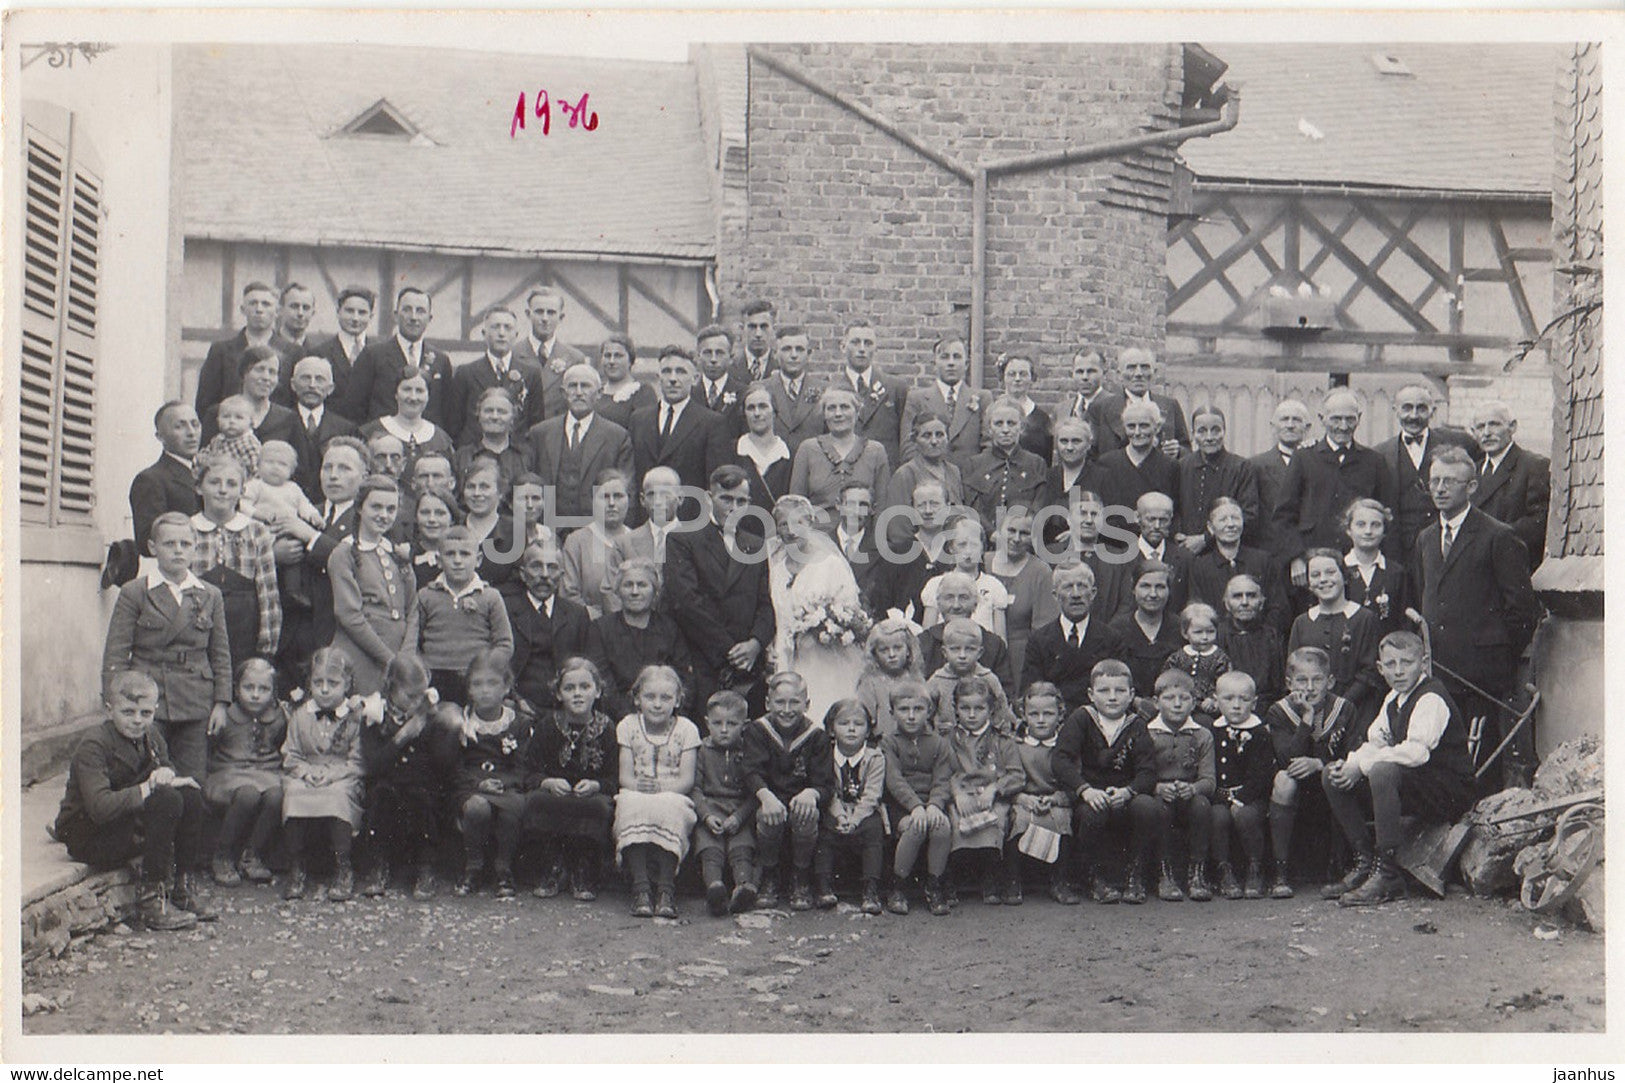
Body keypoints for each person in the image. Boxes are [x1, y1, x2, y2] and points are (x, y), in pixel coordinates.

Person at [1413, 446, 1542, 786]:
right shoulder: (1426, 539)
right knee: (1444, 757)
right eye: (1434, 481)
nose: (1440, 489)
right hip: (1439, 670)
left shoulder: (1498, 536)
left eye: (1450, 482)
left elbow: (1522, 610)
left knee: (1481, 764)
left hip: (1482, 677)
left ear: (1471, 487)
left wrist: (1496, 653)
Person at [1321, 631, 1477, 906]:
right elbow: (1375, 741)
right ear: (1380, 668)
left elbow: (1416, 752)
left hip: (1449, 791)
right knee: (1333, 775)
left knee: (1382, 770)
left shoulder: (1431, 697)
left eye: (1407, 662)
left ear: (1424, 663)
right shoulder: (1394, 698)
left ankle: (1388, 874)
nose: (1399, 671)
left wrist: (1365, 766)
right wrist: (1351, 765)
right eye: (1391, 664)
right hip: (1417, 784)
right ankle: (1366, 862)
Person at [54, 670, 211, 931]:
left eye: (145, 713)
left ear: (155, 710)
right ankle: (150, 901)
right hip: (90, 834)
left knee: (189, 795)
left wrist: (168, 774)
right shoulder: (94, 745)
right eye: (128, 712)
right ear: (109, 709)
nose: (138, 721)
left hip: (124, 824)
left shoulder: (151, 736)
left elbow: (165, 765)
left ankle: (182, 885)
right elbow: (100, 808)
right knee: (167, 800)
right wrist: (150, 786)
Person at [103, 512, 232, 782]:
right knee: (146, 776)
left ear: (195, 548)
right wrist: (115, 699)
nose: (178, 551)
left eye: (185, 544)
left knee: (192, 777)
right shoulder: (135, 592)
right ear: (152, 548)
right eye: (169, 544)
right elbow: (116, 651)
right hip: (147, 698)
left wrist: (221, 702)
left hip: (195, 699)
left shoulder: (210, 594)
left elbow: (220, 653)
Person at [665, 466, 776, 713]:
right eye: (725, 498)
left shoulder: (755, 544)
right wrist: (729, 650)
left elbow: (765, 603)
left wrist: (755, 644)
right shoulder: (682, 539)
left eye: (741, 501)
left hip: (748, 665)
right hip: (703, 659)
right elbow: (686, 603)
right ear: (708, 498)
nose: (733, 507)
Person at [1053, 659, 1163, 904]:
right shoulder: (1082, 718)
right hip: (1090, 794)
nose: (1112, 698)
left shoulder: (1136, 724)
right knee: (1092, 814)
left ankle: (1136, 875)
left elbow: (1148, 771)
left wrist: (1129, 791)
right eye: (1104, 691)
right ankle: (1094, 878)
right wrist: (1085, 790)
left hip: (1123, 795)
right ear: (1091, 694)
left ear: (1131, 694)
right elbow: (1061, 760)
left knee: (1147, 807)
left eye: (1120, 691)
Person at [1273, 388, 1397, 588]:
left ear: (1359, 418)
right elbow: (1283, 515)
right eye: (1336, 419)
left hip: (1359, 563)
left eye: (1350, 419)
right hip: (1311, 563)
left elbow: (1388, 515)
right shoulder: (1304, 458)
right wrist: (1295, 557)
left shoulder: (1374, 461)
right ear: (1322, 418)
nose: (1343, 426)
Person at [1264, 646, 1359, 899]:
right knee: (1284, 780)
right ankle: (1280, 870)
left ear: (1329, 681)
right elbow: (1288, 760)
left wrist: (1319, 763)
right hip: (1297, 789)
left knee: (1339, 772)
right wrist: (1307, 719)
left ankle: (1341, 864)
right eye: (1301, 680)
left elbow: (1352, 753)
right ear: (1288, 683)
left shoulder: (1344, 708)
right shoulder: (1278, 711)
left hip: (1330, 784)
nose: (1309, 687)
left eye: (1317, 679)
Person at [269, 437, 367, 681]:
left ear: (364, 476)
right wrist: (273, 555)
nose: (333, 476)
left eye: (345, 468)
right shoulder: (302, 511)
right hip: (290, 636)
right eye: (328, 467)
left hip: (335, 634)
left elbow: (358, 563)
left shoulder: (366, 518)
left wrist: (309, 536)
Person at [522, 655, 619, 902]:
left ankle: (583, 868)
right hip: (556, 794)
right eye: (569, 688)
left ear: (597, 692)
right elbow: (529, 771)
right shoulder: (547, 727)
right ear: (558, 694)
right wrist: (548, 782)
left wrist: (597, 785)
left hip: (590, 796)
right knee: (536, 801)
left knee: (598, 806)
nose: (577, 694)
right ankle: (554, 864)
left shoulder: (607, 729)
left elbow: (615, 776)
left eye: (585, 687)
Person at [764, 495, 867, 722]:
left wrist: (826, 629)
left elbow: (852, 614)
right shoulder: (776, 569)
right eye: (783, 524)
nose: (791, 531)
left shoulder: (830, 565)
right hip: (785, 656)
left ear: (810, 524)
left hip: (825, 659)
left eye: (798, 523)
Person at [356, 652, 450, 900]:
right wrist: (402, 737)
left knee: (424, 798)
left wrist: (438, 724)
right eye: (410, 696)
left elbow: (439, 762)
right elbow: (374, 764)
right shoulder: (375, 714)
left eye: (422, 694)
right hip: (387, 779)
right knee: (380, 796)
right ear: (391, 687)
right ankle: (379, 866)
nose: (416, 701)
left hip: (420, 781)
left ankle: (426, 868)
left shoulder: (427, 712)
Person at [613, 664, 701, 919]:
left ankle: (665, 890)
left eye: (666, 698)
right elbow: (625, 777)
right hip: (636, 789)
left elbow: (686, 780)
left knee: (670, 807)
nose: (657, 704)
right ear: (637, 699)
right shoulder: (628, 726)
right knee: (631, 805)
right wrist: (639, 786)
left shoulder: (686, 729)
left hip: (673, 791)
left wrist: (662, 787)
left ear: (677, 700)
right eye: (650, 697)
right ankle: (640, 888)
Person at [444, 649, 534, 899]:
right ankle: (474, 865)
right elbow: (455, 766)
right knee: (477, 807)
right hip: (471, 786)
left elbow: (523, 767)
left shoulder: (519, 723)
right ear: (469, 689)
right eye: (477, 684)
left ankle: (503, 868)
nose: (485, 690)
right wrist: (480, 783)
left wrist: (502, 783)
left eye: (493, 683)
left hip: (508, 786)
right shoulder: (460, 721)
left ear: (507, 687)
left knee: (512, 809)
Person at [279, 647, 366, 902]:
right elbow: (291, 754)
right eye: (318, 683)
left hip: (341, 775)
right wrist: (305, 773)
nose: (325, 690)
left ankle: (343, 866)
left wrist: (333, 775)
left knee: (338, 796)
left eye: (333, 683)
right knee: (294, 793)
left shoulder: (353, 717)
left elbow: (358, 759)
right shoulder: (300, 715)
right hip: (306, 771)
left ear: (347, 684)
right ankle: (297, 866)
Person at [743, 671, 832, 911]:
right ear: (767, 703)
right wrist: (765, 795)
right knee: (767, 814)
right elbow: (751, 772)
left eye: (794, 702)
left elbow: (825, 784)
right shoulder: (757, 731)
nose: (787, 709)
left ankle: (800, 877)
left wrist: (811, 793)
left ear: (807, 704)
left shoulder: (817, 736)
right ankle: (769, 876)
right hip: (769, 802)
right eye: (780, 702)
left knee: (807, 812)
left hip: (799, 803)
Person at [403, 524, 515, 704]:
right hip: (433, 675)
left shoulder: (490, 596)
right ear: (439, 560)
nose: (457, 560)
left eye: (465, 554)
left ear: (478, 560)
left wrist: (486, 669)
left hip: (475, 677)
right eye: (450, 554)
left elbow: (504, 643)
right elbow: (412, 639)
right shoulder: (426, 595)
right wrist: (416, 670)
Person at [190, 452, 283, 670]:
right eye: (214, 482)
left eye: (231, 484)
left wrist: (266, 648)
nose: (223, 490)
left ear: (242, 491)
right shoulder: (188, 530)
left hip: (244, 631)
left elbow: (268, 592)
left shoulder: (256, 531)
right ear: (199, 487)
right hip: (199, 631)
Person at [327, 475, 414, 696]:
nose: (384, 515)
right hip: (360, 656)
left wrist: (406, 655)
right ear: (359, 508)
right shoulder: (344, 553)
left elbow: (412, 608)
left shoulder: (395, 552)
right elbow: (349, 615)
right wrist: (388, 658)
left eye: (390, 509)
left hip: (398, 655)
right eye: (376, 507)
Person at [1376, 384, 1482, 560]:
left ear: (1433, 411)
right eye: (1407, 408)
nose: (1414, 415)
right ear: (1396, 410)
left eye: (1422, 408)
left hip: (1446, 546)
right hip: (1400, 552)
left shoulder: (1460, 442)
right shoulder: (1381, 454)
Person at [204, 658, 286, 886]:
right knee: (248, 794)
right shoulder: (226, 716)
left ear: (273, 691)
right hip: (229, 772)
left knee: (277, 796)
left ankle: (252, 854)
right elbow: (211, 747)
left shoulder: (279, 717)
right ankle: (222, 855)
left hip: (266, 771)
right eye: (248, 688)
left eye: (264, 689)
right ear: (236, 688)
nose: (256, 695)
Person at [944, 674, 1024, 905]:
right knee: (952, 819)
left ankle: (990, 877)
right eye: (964, 708)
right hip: (960, 795)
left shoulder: (1002, 740)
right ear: (956, 709)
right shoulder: (949, 740)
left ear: (990, 710)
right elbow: (942, 773)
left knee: (998, 818)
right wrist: (957, 793)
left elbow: (1016, 774)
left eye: (978, 708)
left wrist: (995, 788)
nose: (971, 714)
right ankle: (951, 879)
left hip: (991, 796)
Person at [525, 363, 633, 526]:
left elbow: (626, 491)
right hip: (548, 530)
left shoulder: (617, 437)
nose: (579, 392)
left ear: (599, 393)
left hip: (596, 531)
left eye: (586, 386)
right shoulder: (540, 433)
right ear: (563, 392)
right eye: (573, 386)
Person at [879, 680, 953, 915]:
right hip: (900, 805)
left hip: (930, 803)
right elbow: (894, 780)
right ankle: (898, 886)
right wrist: (915, 807)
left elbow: (942, 780)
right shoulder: (889, 743)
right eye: (904, 710)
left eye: (918, 709)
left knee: (941, 827)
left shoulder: (939, 744)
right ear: (892, 713)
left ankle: (934, 885)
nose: (911, 716)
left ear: (929, 711)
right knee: (916, 828)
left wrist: (934, 805)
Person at [588, 557, 693, 720]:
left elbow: (684, 679)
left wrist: (670, 718)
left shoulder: (670, 628)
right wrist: (630, 721)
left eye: (642, 585)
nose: (635, 591)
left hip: (665, 718)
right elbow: (603, 682)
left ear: (655, 591)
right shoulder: (600, 628)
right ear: (618, 591)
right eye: (628, 585)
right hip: (616, 720)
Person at [1287, 548, 1384, 722]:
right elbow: (1294, 671)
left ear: (1344, 576)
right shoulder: (1302, 622)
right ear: (1309, 583)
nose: (1323, 579)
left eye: (1330, 572)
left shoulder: (1364, 618)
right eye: (1315, 575)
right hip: (1312, 714)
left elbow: (1369, 672)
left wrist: (1340, 706)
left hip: (1356, 712)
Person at [1145, 669, 1216, 902]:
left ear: (1193, 702)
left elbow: (1209, 779)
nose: (1177, 705)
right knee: (1159, 810)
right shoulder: (1148, 734)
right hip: (1160, 795)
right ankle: (1165, 875)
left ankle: (1197, 874)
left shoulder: (1202, 735)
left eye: (1184, 699)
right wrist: (1157, 787)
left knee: (1202, 806)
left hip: (1189, 795)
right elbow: (1141, 775)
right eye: (1169, 699)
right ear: (1156, 702)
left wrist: (1193, 789)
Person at [1008, 682, 1079, 905]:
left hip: (1055, 800)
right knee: (1018, 821)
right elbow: (1008, 778)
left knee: (1062, 821)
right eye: (1034, 714)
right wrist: (1022, 798)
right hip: (1024, 798)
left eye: (1048, 713)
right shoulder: (1016, 745)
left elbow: (1075, 780)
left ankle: (1059, 880)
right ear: (1023, 714)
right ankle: (1012, 880)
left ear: (1060, 715)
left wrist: (1056, 799)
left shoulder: (1066, 746)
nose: (1040, 719)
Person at [813, 699, 887, 914]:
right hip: (834, 808)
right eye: (844, 723)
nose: (852, 729)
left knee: (874, 829)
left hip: (864, 811)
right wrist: (840, 816)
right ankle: (824, 886)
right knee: (825, 829)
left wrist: (855, 819)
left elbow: (872, 795)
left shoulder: (875, 757)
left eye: (859, 724)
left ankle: (870, 889)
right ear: (832, 728)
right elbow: (828, 788)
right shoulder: (825, 753)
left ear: (868, 730)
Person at [1020, 561, 1125, 713]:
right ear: (1055, 595)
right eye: (1068, 587)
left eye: (1082, 586)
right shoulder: (1039, 640)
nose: (1076, 594)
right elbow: (1031, 692)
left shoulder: (1112, 639)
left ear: (1093, 593)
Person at [690, 690, 760, 915]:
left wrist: (739, 817)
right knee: (710, 848)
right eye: (717, 723)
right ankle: (714, 889)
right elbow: (695, 789)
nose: (723, 729)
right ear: (707, 723)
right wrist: (706, 815)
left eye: (732, 724)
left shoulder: (749, 752)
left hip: (739, 813)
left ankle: (743, 888)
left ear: (745, 725)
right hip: (711, 811)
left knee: (741, 847)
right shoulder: (702, 750)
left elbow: (754, 793)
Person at [629, 346, 729, 500]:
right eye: (667, 371)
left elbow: (714, 482)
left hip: (690, 518)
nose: (673, 379)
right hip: (645, 518)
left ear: (695, 378)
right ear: (658, 377)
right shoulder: (639, 419)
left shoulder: (711, 423)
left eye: (681, 372)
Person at [508, 539, 597, 713]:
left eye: (552, 567)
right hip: (518, 705)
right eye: (536, 566)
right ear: (523, 574)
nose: (544, 574)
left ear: (561, 575)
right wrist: (515, 699)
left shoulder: (577, 615)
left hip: (566, 707)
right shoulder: (506, 610)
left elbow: (588, 667)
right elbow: (497, 667)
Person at [1205, 671, 1272, 900]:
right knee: (1217, 817)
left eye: (1244, 700)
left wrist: (1240, 799)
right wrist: (1221, 797)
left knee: (1246, 816)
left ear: (1254, 702)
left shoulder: (1259, 732)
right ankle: (1223, 870)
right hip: (1220, 796)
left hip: (1250, 796)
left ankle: (1255, 867)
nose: (1236, 706)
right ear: (1216, 700)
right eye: (1228, 699)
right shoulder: (1211, 731)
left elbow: (1261, 774)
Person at [195, 281, 292, 428]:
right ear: (243, 309)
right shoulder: (221, 351)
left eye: (266, 304)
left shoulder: (292, 352)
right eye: (253, 303)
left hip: (277, 433)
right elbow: (206, 402)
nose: (259, 309)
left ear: (277, 311)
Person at [448, 306, 549, 446]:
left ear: (516, 334)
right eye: (496, 327)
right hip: (475, 454)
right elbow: (454, 425)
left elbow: (536, 424)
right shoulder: (466, 373)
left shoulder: (531, 374)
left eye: (507, 328)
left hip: (517, 455)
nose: (502, 333)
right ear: (484, 333)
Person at [353, 287, 455, 427]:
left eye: (420, 311)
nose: (413, 317)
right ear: (396, 315)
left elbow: (447, 413)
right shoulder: (373, 355)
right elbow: (356, 408)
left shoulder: (441, 360)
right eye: (407, 310)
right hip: (383, 441)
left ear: (429, 318)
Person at [790, 386, 890, 524]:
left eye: (844, 407)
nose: (838, 413)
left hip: (861, 537)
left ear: (857, 411)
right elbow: (796, 505)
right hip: (819, 536)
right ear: (824, 414)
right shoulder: (808, 449)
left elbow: (882, 505)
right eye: (831, 408)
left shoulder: (875, 451)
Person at [1186, 497, 1288, 634]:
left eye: (1236, 518)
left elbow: (1278, 606)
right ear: (1210, 527)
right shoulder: (1200, 566)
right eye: (1223, 520)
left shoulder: (1263, 561)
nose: (1231, 524)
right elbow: (1197, 611)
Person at [1470, 399, 1551, 566]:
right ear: (1473, 432)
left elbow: (1538, 521)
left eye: (1494, 425)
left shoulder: (1533, 465)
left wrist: (1491, 539)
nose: (1486, 433)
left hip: (1512, 565)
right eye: (1480, 427)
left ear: (1512, 427)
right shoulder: (1472, 471)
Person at [917, 570, 1016, 698]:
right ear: (939, 603)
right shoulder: (923, 643)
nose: (956, 605)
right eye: (949, 597)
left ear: (975, 604)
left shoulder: (993, 644)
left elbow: (1005, 695)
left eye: (963, 598)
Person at [987, 508, 1058, 683]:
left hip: (1020, 660)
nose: (1016, 539)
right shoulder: (983, 563)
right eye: (1011, 530)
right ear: (999, 530)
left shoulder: (1041, 572)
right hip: (981, 655)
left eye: (1024, 533)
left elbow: (1044, 629)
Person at [899, 334, 990, 472]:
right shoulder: (917, 399)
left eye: (957, 357)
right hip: (929, 481)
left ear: (966, 364)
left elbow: (989, 444)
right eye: (945, 357)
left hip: (971, 479)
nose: (951, 363)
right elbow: (908, 446)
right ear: (934, 364)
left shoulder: (982, 398)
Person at [1176, 406, 1261, 552]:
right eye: (1202, 431)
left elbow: (1249, 515)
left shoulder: (1241, 467)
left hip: (1226, 550)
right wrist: (1179, 536)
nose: (1209, 437)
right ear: (1192, 434)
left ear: (1224, 431)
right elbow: (1174, 508)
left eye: (1216, 430)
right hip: (1185, 550)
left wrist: (1206, 538)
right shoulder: (1181, 466)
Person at [1085, 346, 1190, 459]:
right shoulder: (1100, 408)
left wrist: (1178, 451)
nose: (1139, 373)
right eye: (1131, 368)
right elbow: (1090, 455)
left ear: (1154, 373)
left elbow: (1188, 452)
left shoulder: (1170, 406)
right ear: (1120, 374)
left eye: (1145, 367)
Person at [963, 397, 1047, 535]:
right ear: (989, 429)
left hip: (1022, 541)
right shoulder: (974, 464)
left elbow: (1038, 507)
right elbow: (972, 507)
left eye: (1011, 423)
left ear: (1022, 427)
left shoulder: (1035, 464)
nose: (1005, 429)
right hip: (984, 541)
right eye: (998, 424)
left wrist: (1020, 533)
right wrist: (991, 533)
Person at [558, 469, 633, 619]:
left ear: (629, 499)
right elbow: (568, 594)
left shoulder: (638, 540)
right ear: (593, 501)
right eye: (604, 497)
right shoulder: (576, 541)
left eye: (618, 496)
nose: (611, 503)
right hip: (590, 628)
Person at [131, 402, 203, 556]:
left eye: (195, 424)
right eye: (179, 426)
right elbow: (146, 543)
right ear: (160, 436)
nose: (191, 432)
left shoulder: (208, 473)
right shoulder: (151, 479)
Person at [358, 368, 456, 483]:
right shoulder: (370, 432)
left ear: (428, 396)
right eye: (407, 389)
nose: (413, 397)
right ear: (396, 394)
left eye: (419, 391)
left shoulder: (441, 439)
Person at [921, 521, 1011, 640]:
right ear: (951, 548)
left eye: (974, 545)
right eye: (962, 545)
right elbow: (927, 637)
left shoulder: (994, 586)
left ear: (983, 548)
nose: (968, 551)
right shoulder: (936, 584)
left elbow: (1001, 640)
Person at [1109, 562, 1184, 704]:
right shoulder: (1117, 630)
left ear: (1169, 590)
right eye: (1145, 586)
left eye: (1160, 587)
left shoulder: (1181, 629)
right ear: (1133, 588)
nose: (1153, 594)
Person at [926, 619, 1017, 735]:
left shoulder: (989, 679)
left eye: (969, 649)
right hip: (946, 744)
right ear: (944, 652)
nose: (962, 655)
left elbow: (1002, 714)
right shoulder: (937, 681)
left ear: (980, 652)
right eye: (955, 649)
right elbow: (925, 717)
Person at [287, 356, 360, 501]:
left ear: (330, 388)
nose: (312, 385)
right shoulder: (281, 422)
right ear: (293, 385)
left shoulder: (346, 429)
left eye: (319, 379)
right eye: (305, 378)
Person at [839, 319, 908, 467]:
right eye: (855, 342)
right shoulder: (832, 390)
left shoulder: (895, 388)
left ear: (876, 348)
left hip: (885, 472)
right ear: (843, 347)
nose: (862, 349)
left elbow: (905, 439)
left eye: (868, 343)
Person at [1093, 400, 1179, 517]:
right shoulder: (1107, 463)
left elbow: (1176, 510)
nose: (1137, 432)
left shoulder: (1170, 466)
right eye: (1131, 426)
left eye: (1144, 426)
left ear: (1157, 427)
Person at [1249, 398, 1313, 553]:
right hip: (1271, 554)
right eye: (1285, 419)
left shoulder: (1317, 462)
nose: (1290, 425)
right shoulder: (1256, 465)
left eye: (1296, 420)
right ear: (1273, 426)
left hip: (1310, 553)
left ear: (1307, 427)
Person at [1342, 498, 1410, 636]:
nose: (1368, 531)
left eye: (1376, 525)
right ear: (1349, 529)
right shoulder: (1338, 570)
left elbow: (1404, 622)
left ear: (1384, 531)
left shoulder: (1396, 573)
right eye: (1361, 524)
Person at [1216, 573, 1284, 709]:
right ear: (1227, 603)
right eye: (1237, 596)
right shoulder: (1217, 635)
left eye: (1251, 596)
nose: (1245, 602)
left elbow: (1278, 686)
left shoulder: (1271, 636)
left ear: (1261, 602)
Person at [855, 617, 926, 743]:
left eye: (897, 648)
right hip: (882, 744)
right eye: (884, 650)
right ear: (875, 654)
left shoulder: (916, 679)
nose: (892, 654)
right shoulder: (870, 683)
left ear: (908, 650)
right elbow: (864, 719)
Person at [733, 382, 793, 523]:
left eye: (763, 406)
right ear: (744, 413)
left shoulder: (790, 454)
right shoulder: (733, 451)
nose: (757, 413)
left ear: (774, 411)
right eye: (751, 408)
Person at [885, 410, 965, 514]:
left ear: (947, 438)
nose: (934, 441)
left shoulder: (953, 471)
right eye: (927, 436)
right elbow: (898, 523)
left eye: (939, 435)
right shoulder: (905, 474)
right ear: (915, 440)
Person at [764, 326, 827, 455]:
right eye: (787, 349)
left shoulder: (825, 391)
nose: (793, 355)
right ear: (775, 353)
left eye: (799, 349)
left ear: (808, 354)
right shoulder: (762, 389)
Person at [317, 285, 375, 422]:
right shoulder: (320, 353)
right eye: (349, 311)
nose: (355, 318)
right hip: (333, 429)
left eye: (362, 313)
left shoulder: (380, 352)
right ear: (338, 312)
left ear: (371, 316)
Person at [1163, 602, 1230, 721]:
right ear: (1185, 633)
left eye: (1210, 631)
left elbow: (1224, 684)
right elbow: (1167, 680)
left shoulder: (1220, 658)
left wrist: (1213, 699)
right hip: (1180, 703)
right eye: (1198, 632)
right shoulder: (1177, 657)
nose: (1205, 637)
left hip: (1207, 708)